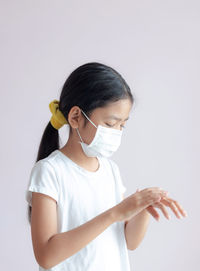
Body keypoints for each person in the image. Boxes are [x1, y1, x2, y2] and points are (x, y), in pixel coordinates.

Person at [25, 62, 187, 271]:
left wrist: (143, 208)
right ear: (75, 117)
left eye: (122, 125)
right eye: (110, 124)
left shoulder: (110, 170)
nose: (117, 131)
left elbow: (129, 242)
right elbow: (46, 256)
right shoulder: (50, 171)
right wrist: (115, 213)